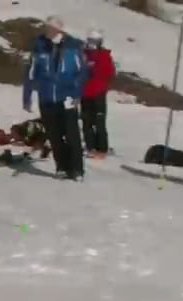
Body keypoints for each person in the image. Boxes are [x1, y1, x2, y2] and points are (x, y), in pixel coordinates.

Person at [23, 16, 89, 181]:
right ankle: (62, 167)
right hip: (46, 98)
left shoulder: (72, 47)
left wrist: (76, 92)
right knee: (54, 135)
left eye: (51, 28)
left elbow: (83, 72)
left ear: (59, 30)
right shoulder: (40, 47)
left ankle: (77, 169)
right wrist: (27, 96)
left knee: (72, 134)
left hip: (66, 97)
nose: (48, 31)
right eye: (47, 28)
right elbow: (30, 74)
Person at [81, 29, 115, 159]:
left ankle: (102, 148)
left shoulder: (104, 56)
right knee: (87, 122)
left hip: (98, 93)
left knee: (99, 122)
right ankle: (90, 146)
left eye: (94, 41)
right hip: (85, 93)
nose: (91, 44)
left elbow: (109, 73)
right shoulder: (83, 55)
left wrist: (94, 69)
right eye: (90, 41)